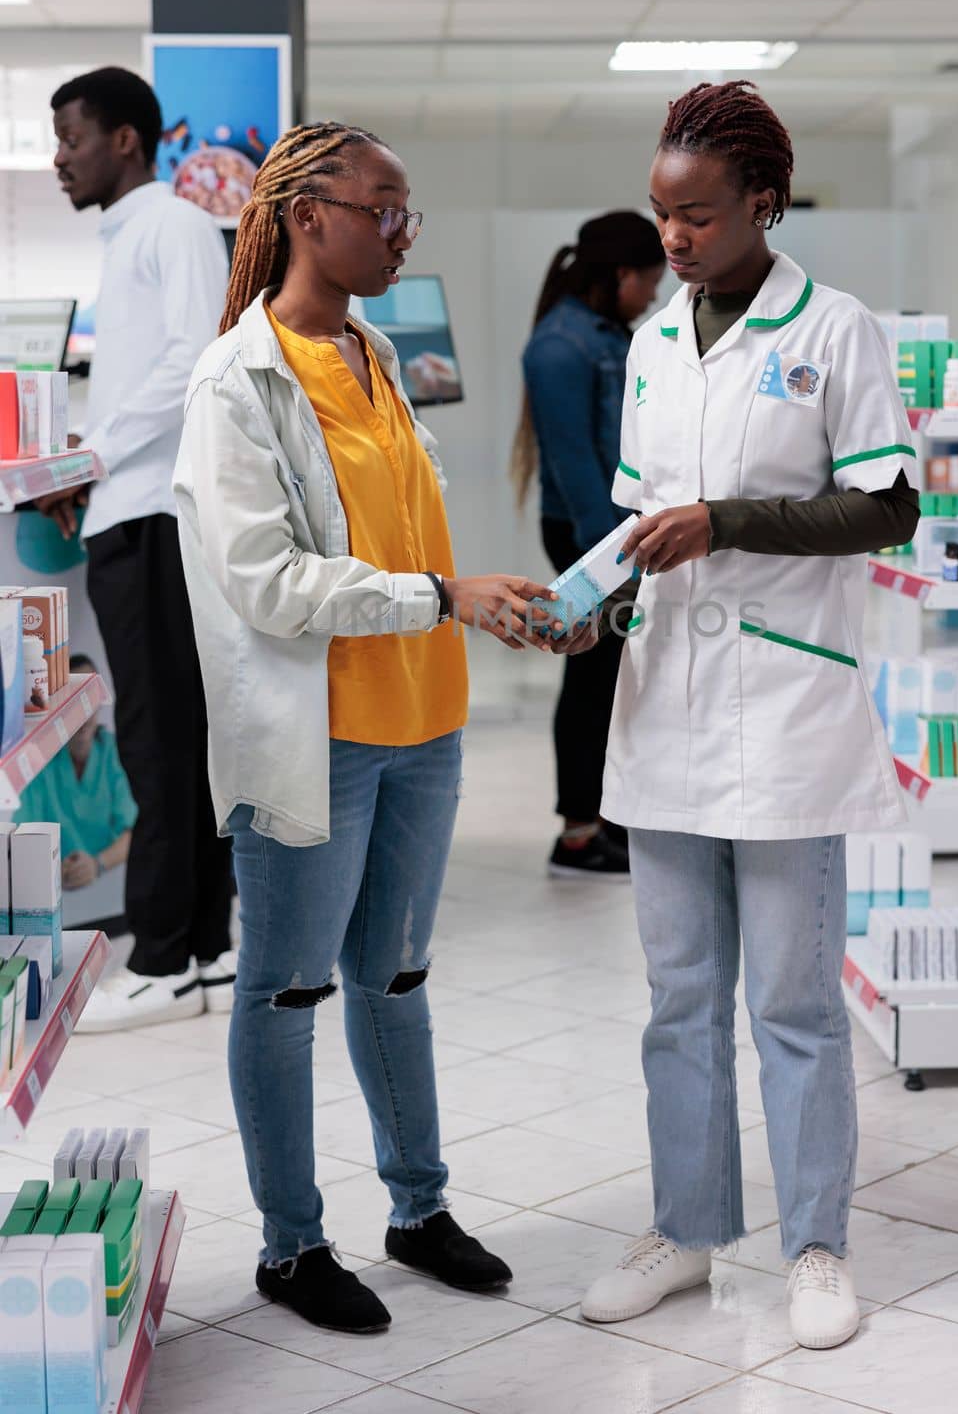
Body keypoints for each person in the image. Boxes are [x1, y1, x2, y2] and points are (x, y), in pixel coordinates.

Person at [173, 121, 593, 1335]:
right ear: (308, 216)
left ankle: (418, 1210)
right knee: (286, 992)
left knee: (395, 977)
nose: (403, 233)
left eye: (408, 213)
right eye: (384, 209)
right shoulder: (236, 379)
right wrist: (439, 598)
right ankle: (291, 1244)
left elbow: (410, 541)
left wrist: (498, 604)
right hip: (316, 739)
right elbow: (269, 580)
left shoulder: (374, 354)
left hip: (425, 720)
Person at [579, 81, 920, 1350]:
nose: (674, 239)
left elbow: (887, 506)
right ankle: (688, 1225)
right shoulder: (655, 340)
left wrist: (727, 522)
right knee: (678, 995)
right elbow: (636, 514)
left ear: (762, 203)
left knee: (790, 998)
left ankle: (818, 1243)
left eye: (700, 216)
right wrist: (591, 599)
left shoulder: (835, 331)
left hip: (785, 705)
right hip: (664, 697)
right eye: (662, 216)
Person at [46, 66, 235, 1031]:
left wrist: (96, 452)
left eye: (72, 137)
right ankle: (208, 949)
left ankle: (165, 957)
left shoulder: (169, 225)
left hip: (157, 515)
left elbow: (197, 353)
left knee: (164, 744)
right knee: (177, 741)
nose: (59, 157)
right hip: (131, 510)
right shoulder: (134, 238)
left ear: (126, 139)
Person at [512, 212, 664, 879]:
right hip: (588, 534)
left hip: (615, 535)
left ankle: (601, 821)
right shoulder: (560, 347)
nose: (654, 296)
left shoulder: (608, 336)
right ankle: (577, 833)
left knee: (606, 677)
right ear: (621, 275)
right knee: (592, 675)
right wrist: (610, 569)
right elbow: (575, 469)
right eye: (650, 281)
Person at [18, 653, 136, 893]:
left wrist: (97, 865)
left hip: (112, 890)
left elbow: (136, 831)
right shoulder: (38, 759)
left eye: (88, 697)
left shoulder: (115, 753)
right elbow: (24, 837)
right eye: (71, 701)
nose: (82, 711)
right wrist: (50, 869)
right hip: (54, 890)